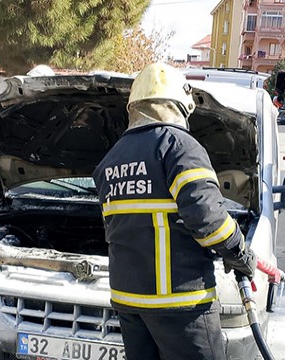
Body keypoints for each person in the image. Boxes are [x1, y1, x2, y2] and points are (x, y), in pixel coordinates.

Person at [92, 63, 257, 360]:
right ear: (181, 106)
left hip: (129, 302)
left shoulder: (111, 159)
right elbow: (210, 221)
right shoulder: (180, 147)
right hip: (181, 304)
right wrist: (240, 253)